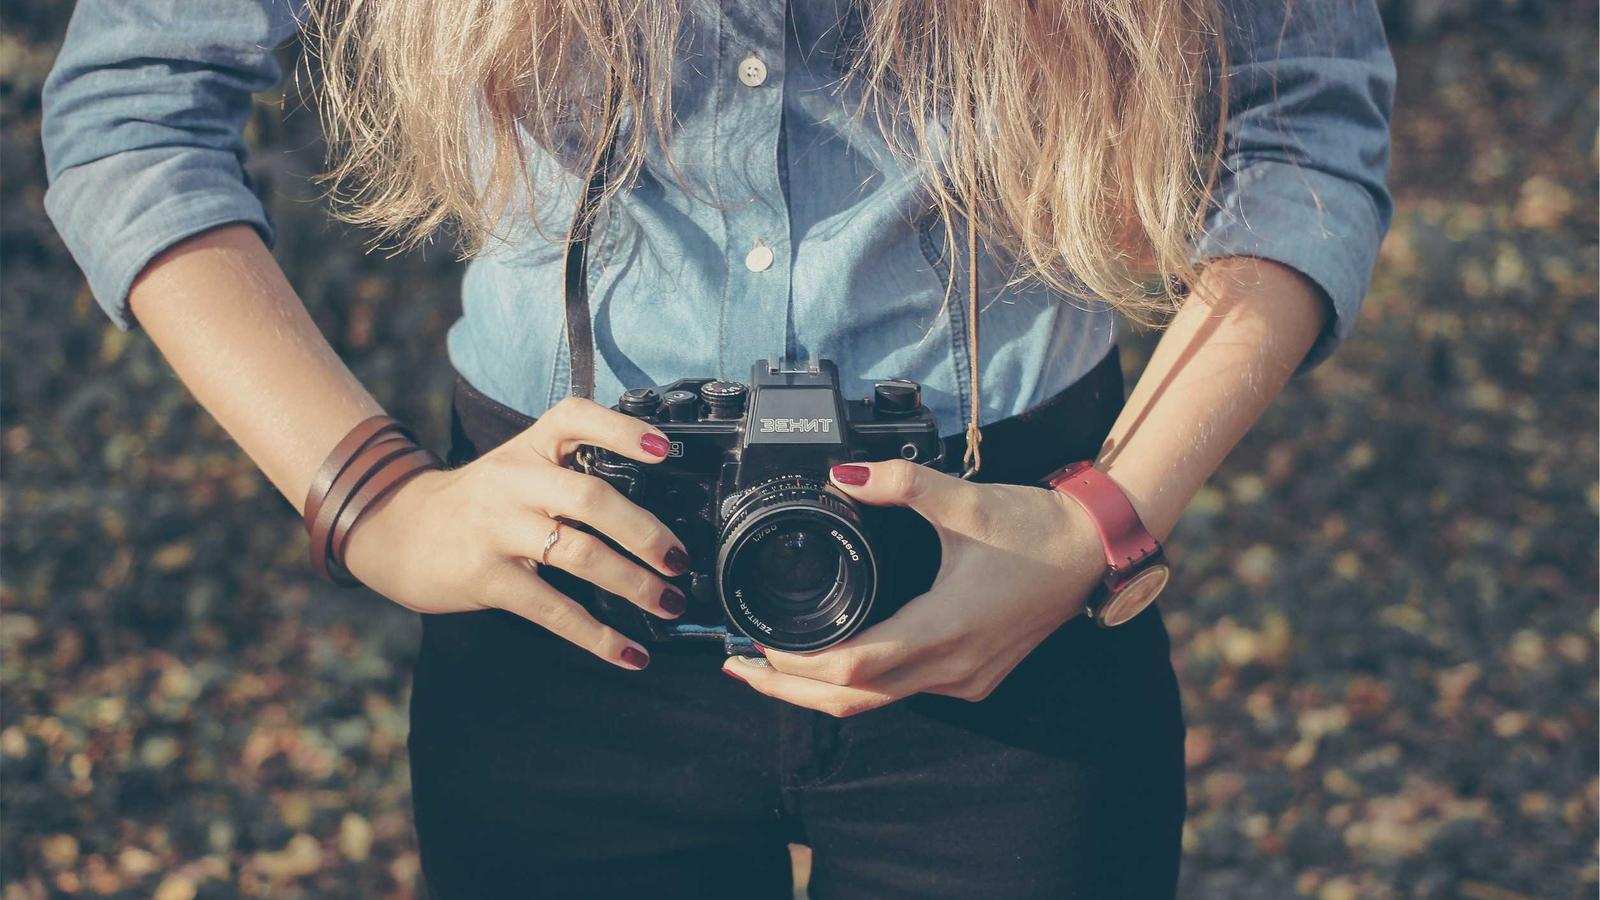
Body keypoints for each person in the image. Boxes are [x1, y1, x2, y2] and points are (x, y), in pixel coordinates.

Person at [41, 0, 1393, 896]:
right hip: (568, 607)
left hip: (1012, 577)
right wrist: (372, 502)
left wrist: (1106, 516)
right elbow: (133, 105)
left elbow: (1304, 124)